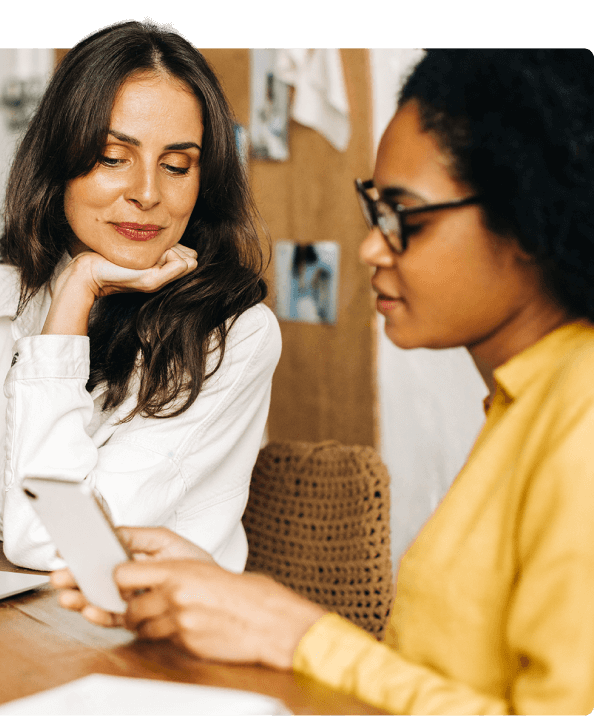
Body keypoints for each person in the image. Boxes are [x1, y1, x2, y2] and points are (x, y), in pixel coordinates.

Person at [53, 48, 594, 715]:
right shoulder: (523, 403)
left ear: (531, 222)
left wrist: (296, 632)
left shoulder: (582, 418)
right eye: (374, 209)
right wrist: (236, 605)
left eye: (407, 216)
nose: (372, 246)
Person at [0, 23, 281, 572]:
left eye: (176, 165)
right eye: (113, 157)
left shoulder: (234, 336)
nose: (147, 193)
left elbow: (61, 545)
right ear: (58, 161)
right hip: (0, 625)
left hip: (139, 643)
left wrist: (75, 296)